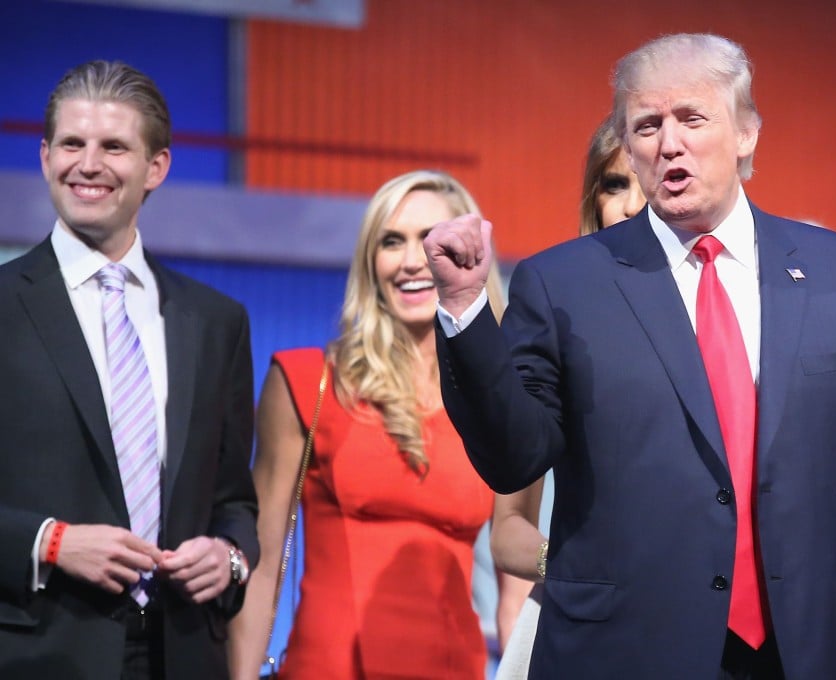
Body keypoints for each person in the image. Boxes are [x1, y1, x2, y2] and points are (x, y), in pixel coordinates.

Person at [425, 32, 836, 679]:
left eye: (691, 118)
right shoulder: (563, 284)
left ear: (747, 132)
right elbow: (514, 457)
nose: (667, 142)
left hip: (804, 653)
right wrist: (465, 311)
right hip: (623, 654)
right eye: (646, 125)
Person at [0, 61, 260, 679]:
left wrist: (228, 556)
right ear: (44, 157)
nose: (88, 164)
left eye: (114, 146)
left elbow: (233, 500)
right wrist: (50, 543)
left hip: (185, 654)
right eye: (72, 144)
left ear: (157, 167)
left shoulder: (216, 320)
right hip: (35, 655)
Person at [227, 170, 504, 680]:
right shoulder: (307, 382)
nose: (411, 260)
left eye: (432, 240)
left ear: (471, 256)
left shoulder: (500, 404)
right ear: (370, 263)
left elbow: (516, 582)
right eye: (391, 241)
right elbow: (261, 560)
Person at [490, 115, 643, 673]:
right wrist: (582, 568)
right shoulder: (555, 326)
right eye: (614, 184)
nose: (629, 205)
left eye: (646, 184)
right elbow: (507, 532)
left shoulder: (728, 330)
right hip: (576, 629)